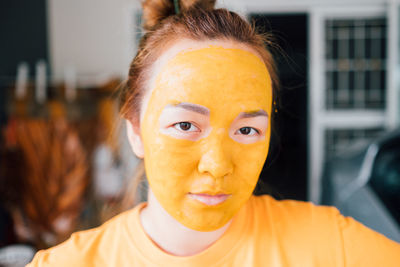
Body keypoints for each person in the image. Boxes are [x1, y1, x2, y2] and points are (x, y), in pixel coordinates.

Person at [28, 0, 400, 266]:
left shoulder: (332, 248)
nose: (218, 165)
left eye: (247, 129)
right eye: (186, 125)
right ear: (136, 130)